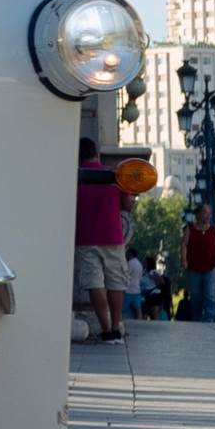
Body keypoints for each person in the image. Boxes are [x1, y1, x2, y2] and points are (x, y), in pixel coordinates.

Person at [73, 138, 131, 342]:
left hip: (85, 238)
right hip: (113, 236)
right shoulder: (113, 175)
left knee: (94, 283)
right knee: (116, 283)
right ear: (96, 153)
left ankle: (106, 330)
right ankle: (116, 328)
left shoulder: (74, 177)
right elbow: (128, 205)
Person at [181, 203, 215, 323]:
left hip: (211, 265)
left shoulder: (213, 229)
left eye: (209, 213)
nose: (208, 216)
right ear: (198, 214)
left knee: (210, 293)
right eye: (205, 213)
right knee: (195, 293)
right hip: (194, 265)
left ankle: (209, 318)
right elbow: (184, 244)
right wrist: (184, 260)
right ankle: (198, 315)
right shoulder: (190, 229)